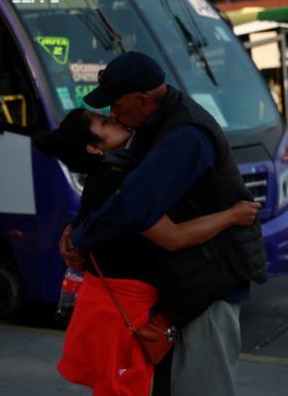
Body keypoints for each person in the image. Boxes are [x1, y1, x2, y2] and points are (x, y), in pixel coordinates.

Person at [63, 51, 268, 396]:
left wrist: (80, 238)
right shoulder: (150, 126)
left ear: (142, 99)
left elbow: (133, 205)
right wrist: (76, 229)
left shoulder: (184, 135)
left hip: (209, 281)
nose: (112, 112)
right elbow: (120, 195)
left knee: (202, 387)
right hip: (186, 280)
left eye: (115, 103)